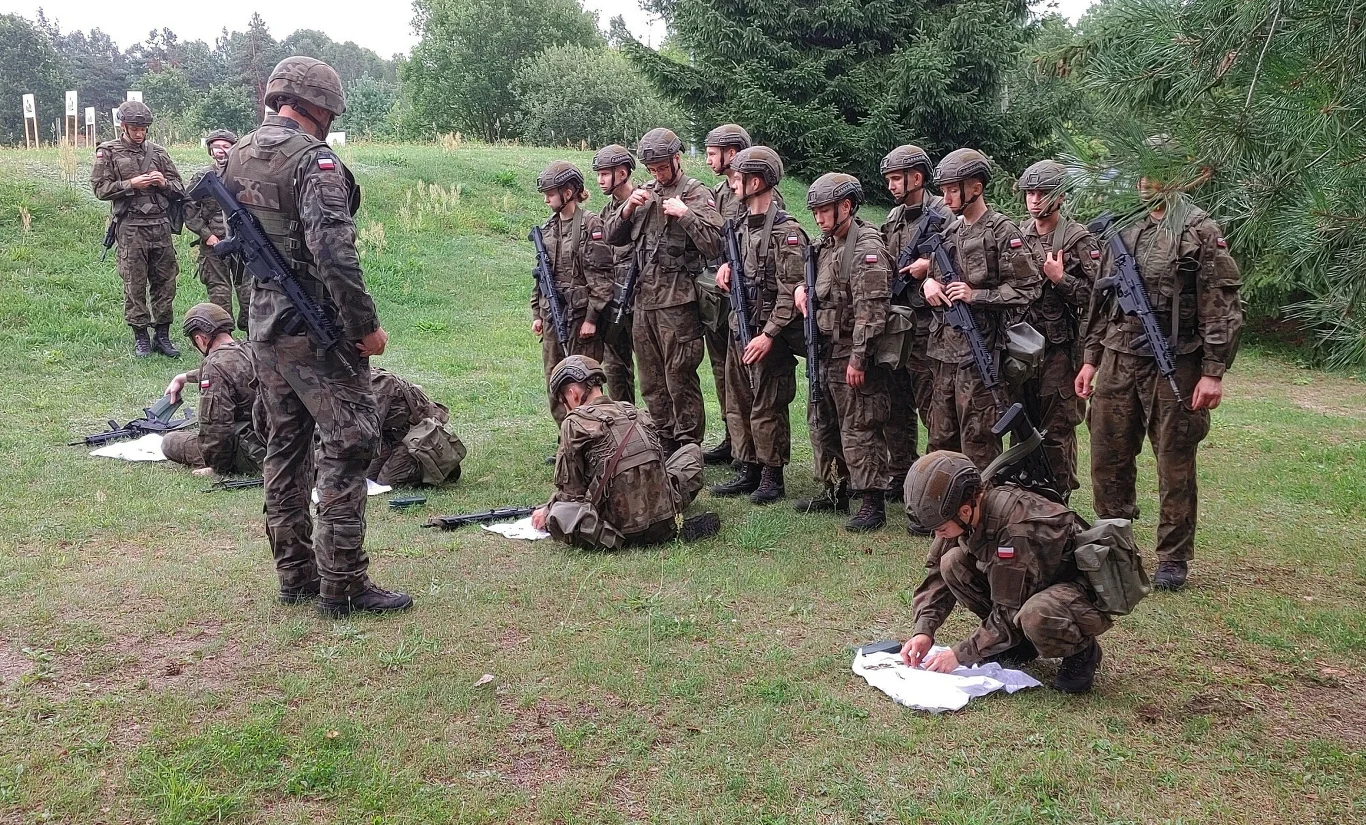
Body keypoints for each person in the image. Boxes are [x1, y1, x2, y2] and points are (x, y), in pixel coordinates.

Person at [225, 55, 409, 617]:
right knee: (349, 445)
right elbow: (333, 252)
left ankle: (295, 575)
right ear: (320, 106)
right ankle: (345, 584)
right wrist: (365, 328)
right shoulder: (314, 161)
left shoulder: (235, 158)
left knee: (284, 448)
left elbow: (225, 237)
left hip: (264, 328)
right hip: (316, 330)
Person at [1076, 167, 1244, 591]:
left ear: (1177, 179)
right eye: (1142, 173)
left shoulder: (1198, 230)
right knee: (1107, 456)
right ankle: (1115, 545)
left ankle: (1172, 557)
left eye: (1157, 175)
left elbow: (1220, 304)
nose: (1146, 183)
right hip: (1117, 358)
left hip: (1177, 359)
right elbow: (1102, 298)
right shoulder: (1125, 224)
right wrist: (1091, 359)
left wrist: (1213, 372)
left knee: (1174, 461)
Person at [900, 451, 1111, 694]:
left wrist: (960, 654)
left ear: (965, 511)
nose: (938, 535)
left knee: (1036, 614)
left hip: (1077, 593)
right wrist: (924, 631)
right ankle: (1020, 645)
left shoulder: (1015, 530)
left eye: (941, 528)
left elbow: (1009, 609)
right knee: (952, 563)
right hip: (1030, 584)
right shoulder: (963, 511)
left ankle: (1082, 652)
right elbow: (937, 575)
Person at [604, 128, 724, 453]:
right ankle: (664, 439)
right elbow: (612, 236)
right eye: (652, 169)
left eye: (662, 167)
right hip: (645, 302)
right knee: (651, 380)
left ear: (676, 158)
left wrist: (686, 217)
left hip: (679, 303)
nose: (657, 174)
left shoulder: (696, 193)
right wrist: (628, 207)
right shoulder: (643, 192)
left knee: (679, 377)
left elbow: (715, 244)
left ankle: (688, 446)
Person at [923, 148, 1041, 470]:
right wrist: (928, 286)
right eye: (943, 190)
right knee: (940, 437)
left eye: (952, 189)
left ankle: (981, 513)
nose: (946, 198)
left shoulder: (1002, 232)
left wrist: (977, 296)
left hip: (983, 354)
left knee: (979, 440)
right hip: (945, 353)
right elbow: (933, 277)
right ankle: (940, 512)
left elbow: (1028, 287)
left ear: (975, 187)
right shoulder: (949, 233)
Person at [531, 356, 719, 549]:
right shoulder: (634, 411)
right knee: (691, 453)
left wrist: (547, 510)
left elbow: (571, 493)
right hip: (663, 513)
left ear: (573, 394)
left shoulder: (573, 423)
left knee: (560, 513)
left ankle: (616, 540)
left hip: (617, 525)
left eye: (563, 400)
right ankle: (667, 529)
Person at [792, 173, 893, 532]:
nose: (818, 218)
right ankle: (835, 487)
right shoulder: (826, 246)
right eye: (815, 211)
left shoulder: (865, 246)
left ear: (846, 207)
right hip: (824, 349)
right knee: (823, 422)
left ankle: (871, 500)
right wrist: (804, 294)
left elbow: (872, 309)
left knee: (860, 426)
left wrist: (858, 358)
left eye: (824, 210)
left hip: (850, 351)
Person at [709, 147, 808, 504]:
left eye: (739, 177)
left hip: (770, 333)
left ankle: (771, 474)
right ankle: (748, 464)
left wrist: (769, 335)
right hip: (740, 324)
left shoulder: (787, 232)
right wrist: (725, 268)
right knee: (738, 397)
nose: (733, 183)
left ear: (757, 182)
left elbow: (790, 291)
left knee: (768, 403)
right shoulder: (737, 226)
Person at [1014, 160, 1099, 496]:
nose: (1035, 199)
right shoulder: (1018, 235)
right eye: (1030, 193)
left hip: (1058, 352)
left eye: (1043, 193)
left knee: (1056, 429)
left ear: (1060, 196)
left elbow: (1099, 297)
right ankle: (1024, 495)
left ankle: (1057, 499)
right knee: (1022, 425)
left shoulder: (1077, 238)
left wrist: (1061, 279)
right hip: (1021, 349)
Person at [878, 144, 948, 532]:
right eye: (888, 179)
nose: (890, 185)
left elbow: (963, 253)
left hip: (929, 327)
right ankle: (901, 473)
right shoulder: (893, 217)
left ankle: (933, 489)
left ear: (917, 178)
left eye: (896, 178)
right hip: (897, 322)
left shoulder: (943, 214)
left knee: (931, 407)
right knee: (895, 402)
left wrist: (930, 265)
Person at [91, 100, 185, 358]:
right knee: (134, 283)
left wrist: (163, 182)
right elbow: (100, 189)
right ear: (123, 126)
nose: (140, 133)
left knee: (165, 282)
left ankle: (162, 335)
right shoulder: (108, 152)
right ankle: (141, 336)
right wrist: (130, 183)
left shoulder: (158, 153)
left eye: (143, 128)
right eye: (134, 128)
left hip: (160, 225)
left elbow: (180, 188)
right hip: (131, 227)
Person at [532, 161, 614, 423]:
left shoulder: (590, 225)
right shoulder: (547, 229)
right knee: (554, 377)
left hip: (581, 318)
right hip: (552, 315)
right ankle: (567, 435)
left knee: (584, 378)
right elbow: (540, 275)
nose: (546, 200)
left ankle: (593, 431)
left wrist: (592, 318)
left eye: (550, 193)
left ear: (568, 192)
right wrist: (537, 313)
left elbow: (602, 277)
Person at [698, 123, 752, 465]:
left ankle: (748, 446)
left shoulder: (757, 189)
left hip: (743, 297)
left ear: (732, 153)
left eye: (712, 153)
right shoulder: (718, 191)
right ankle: (732, 437)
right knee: (721, 370)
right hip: (717, 297)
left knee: (740, 376)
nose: (707, 160)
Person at [161, 303, 265, 476]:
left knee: (170, 441)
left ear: (200, 340)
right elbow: (234, 371)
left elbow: (217, 428)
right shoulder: (250, 349)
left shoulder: (215, 367)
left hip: (249, 450)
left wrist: (216, 467)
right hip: (274, 440)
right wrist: (184, 377)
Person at [185, 129, 251, 332]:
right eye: (216, 147)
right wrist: (207, 235)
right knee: (219, 291)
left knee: (249, 290)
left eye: (225, 146)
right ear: (210, 151)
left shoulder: (245, 174)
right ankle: (223, 335)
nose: (221, 152)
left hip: (244, 242)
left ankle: (252, 333)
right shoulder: (203, 176)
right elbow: (189, 208)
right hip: (214, 244)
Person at [590, 144, 638, 404]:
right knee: (615, 367)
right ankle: (625, 424)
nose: (599, 180)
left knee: (656, 371)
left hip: (645, 298)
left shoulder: (645, 200)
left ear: (622, 174)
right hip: (616, 300)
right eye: (598, 174)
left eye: (605, 174)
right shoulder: (606, 212)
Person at [366, 369, 466, 487]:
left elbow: (366, 431)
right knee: (368, 478)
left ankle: (440, 465)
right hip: (391, 436)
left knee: (387, 482)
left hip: (417, 438)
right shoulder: (353, 385)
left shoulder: (378, 386)